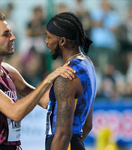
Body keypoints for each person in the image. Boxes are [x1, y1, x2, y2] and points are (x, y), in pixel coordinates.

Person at [0, 12, 75, 150]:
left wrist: (75, 84)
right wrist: (47, 80)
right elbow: (15, 113)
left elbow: (44, 101)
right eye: (6, 34)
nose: (13, 37)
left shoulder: (7, 70)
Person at [42, 12, 97, 150]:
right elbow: (88, 125)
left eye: (49, 37)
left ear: (62, 41)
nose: (46, 41)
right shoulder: (88, 64)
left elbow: (63, 134)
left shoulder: (66, 77)